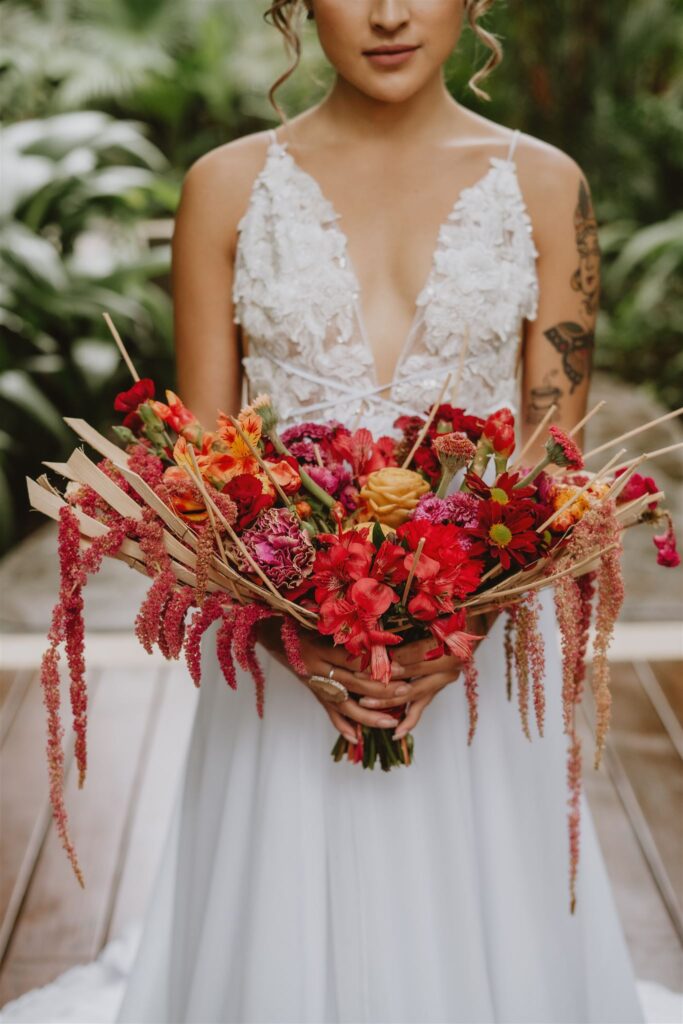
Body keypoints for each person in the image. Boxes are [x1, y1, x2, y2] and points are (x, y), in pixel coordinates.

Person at [0, 2, 652, 1022]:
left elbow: (545, 471)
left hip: (474, 658)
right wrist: (291, 634)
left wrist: (459, 625)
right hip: (279, 658)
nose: (387, 13)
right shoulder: (224, 190)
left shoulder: (544, 186)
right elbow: (204, 474)